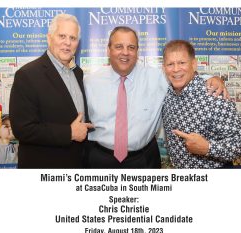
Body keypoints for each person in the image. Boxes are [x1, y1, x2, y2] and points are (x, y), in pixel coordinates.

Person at [84, 26, 227, 169]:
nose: (125, 52)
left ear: (137, 52)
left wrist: (212, 79)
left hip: (144, 160)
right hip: (100, 159)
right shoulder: (89, 82)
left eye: (131, 47)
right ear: (108, 50)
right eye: (119, 46)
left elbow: (183, 76)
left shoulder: (158, 78)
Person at [9, 14, 93, 169]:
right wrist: (69, 133)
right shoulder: (27, 75)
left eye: (73, 38)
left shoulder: (78, 73)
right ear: (49, 38)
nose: (67, 43)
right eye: (62, 36)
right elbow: (22, 129)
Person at [161, 40, 241, 168]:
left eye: (182, 63)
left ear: (194, 64)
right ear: (164, 68)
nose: (176, 69)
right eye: (170, 64)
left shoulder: (214, 95)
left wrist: (208, 148)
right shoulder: (167, 94)